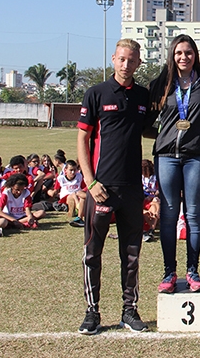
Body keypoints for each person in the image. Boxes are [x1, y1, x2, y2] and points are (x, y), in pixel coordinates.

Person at [77, 38, 150, 335]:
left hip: (132, 188)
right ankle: (92, 312)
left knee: (131, 253)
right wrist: (90, 182)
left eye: (132, 60)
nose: (126, 64)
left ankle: (129, 310)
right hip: (101, 188)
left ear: (138, 63)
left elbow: (154, 129)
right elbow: (82, 140)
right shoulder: (96, 93)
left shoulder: (144, 97)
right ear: (113, 59)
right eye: (122, 59)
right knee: (93, 252)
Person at [147, 34, 200, 294]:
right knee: (170, 215)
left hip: (196, 156)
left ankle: (192, 271)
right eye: (179, 53)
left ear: (196, 54)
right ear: (172, 55)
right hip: (166, 157)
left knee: (194, 214)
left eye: (189, 52)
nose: (184, 57)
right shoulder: (161, 83)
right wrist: (163, 137)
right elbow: (147, 117)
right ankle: (169, 273)